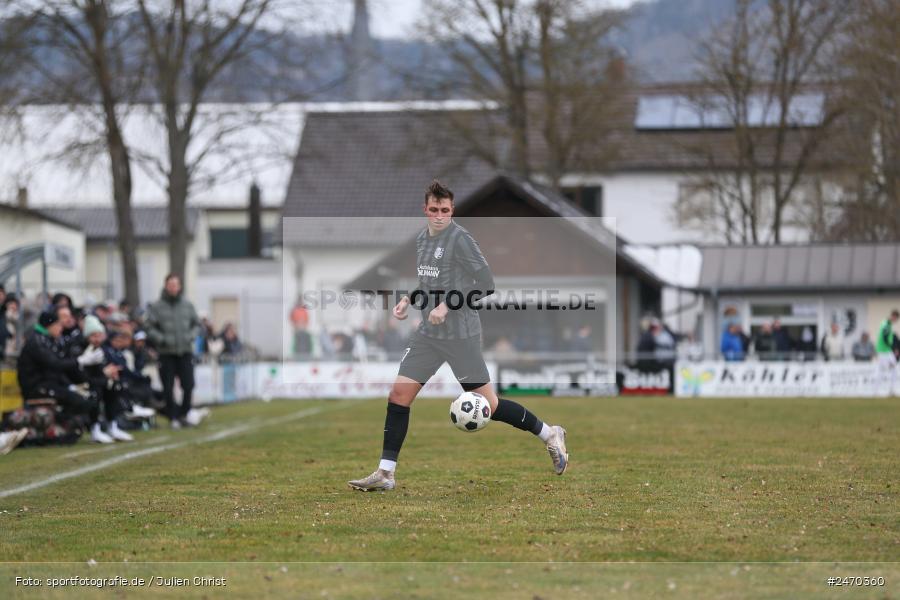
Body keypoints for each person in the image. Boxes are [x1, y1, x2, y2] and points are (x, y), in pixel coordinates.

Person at [348, 180, 568, 492]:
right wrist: (409, 299)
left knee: (490, 406)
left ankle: (550, 433)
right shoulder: (422, 239)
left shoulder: (461, 239)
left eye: (445, 210)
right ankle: (385, 474)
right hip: (428, 335)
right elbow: (428, 280)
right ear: (425, 210)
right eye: (434, 209)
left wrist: (447, 305)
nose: (439, 215)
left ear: (452, 211)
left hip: (461, 335)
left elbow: (486, 283)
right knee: (399, 396)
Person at [16, 309, 109, 442]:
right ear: (50, 325)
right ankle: (59, 427)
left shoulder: (48, 340)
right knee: (81, 402)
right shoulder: (36, 342)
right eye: (58, 325)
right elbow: (54, 364)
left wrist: (69, 385)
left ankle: (70, 428)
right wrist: (81, 360)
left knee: (88, 397)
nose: (61, 328)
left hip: (50, 384)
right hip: (37, 387)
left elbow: (57, 368)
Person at [145, 274, 204, 429]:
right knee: (168, 387)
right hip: (166, 353)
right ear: (165, 286)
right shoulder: (156, 307)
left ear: (180, 286)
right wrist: (161, 339)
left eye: (175, 284)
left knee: (188, 384)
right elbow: (149, 327)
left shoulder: (187, 305)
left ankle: (184, 413)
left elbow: (197, 325)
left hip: (185, 351)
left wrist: (190, 336)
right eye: (170, 284)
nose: (173, 287)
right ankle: (173, 417)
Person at [80, 315, 133, 442]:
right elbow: (82, 373)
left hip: (95, 380)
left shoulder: (102, 349)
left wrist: (110, 373)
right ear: (87, 336)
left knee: (114, 385)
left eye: (99, 335)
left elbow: (109, 367)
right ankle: (95, 428)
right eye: (93, 335)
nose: (97, 339)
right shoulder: (82, 349)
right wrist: (105, 374)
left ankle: (112, 425)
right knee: (96, 391)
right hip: (82, 383)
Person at [875, 310, 899, 395]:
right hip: (883, 351)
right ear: (893, 316)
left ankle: (891, 390)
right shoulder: (886, 325)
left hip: (887, 351)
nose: (895, 320)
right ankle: (876, 391)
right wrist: (893, 348)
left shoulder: (887, 324)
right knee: (882, 370)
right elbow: (885, 338)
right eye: (895, 318)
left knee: (894, 368)